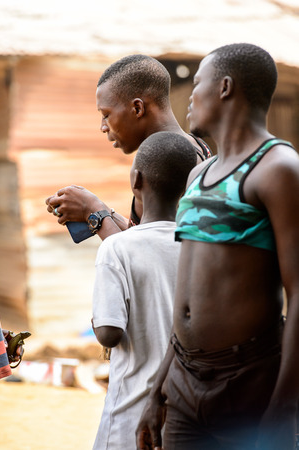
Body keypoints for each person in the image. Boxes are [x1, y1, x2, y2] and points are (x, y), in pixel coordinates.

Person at [136, 43, 299, 450]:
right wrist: (158, 390)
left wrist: (282, 409)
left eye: (197, 82)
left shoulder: (278, 169)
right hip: (185, 381)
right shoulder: (199, 175)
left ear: (225, 87)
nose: (189, 95)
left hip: (248, 386)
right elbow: (187, 295)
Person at [91, 131, 197, 449]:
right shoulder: (201, 247)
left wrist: (96, 316)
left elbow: (109, 333)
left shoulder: (117, 248)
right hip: (184, 414)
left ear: (136, 180)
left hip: (130, 416)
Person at [45, 54, 211, 239]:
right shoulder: (191, 148)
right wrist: (105, 211)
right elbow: (144, 237)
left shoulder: (175, 164)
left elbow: (151, 257)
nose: (102, 127)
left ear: (137, 108)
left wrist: (94, 212)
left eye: (106, 114)